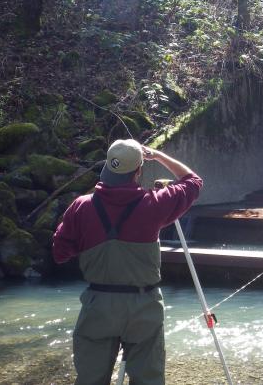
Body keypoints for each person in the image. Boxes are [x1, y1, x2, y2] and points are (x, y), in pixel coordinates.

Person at [52, 139, 202, 385]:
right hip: (144, 305)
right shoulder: (154, 203)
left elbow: (60, 253)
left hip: (98, 305)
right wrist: (159, 156)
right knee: (148, 380)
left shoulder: (81, 207)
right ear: (138, 171)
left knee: (90, 379)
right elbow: (193, 181)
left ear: (108, 169)